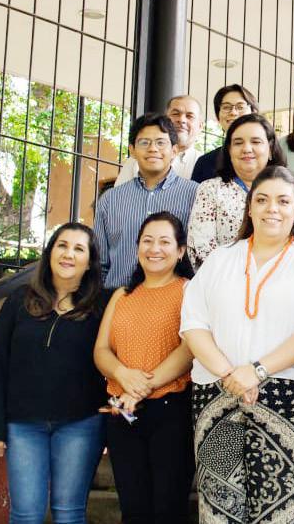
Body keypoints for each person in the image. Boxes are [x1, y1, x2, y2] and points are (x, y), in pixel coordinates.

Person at [180, 166, 294, 523]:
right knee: (220, 506)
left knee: (285, 509)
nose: (272, 209)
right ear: (249, 208)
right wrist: (230, 375)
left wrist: (257, 371)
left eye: (283, 201)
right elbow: (193, 323)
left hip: (288, 398)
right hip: (218, 394)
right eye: (262, 200)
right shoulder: (221, 258)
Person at [0, 223, 108, 524]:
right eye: (62, 245)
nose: (69, 254)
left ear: (89, 262)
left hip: (80, 424)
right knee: (26, 514)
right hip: (23, 425)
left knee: (69, 513)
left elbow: (116, 357)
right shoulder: (19, 300)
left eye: (79, 249)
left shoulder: (101, 306)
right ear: (50, 252)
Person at [93, 211, 197, 524]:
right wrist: (122, 375)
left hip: (170, 410)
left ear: (180, 251)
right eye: (147, 241)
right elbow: (101, 350)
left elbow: (189, 349)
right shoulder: (122, 295)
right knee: (133, 510)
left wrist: (141, 387)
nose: (155, 249)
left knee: (168, 510)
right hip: (122, 412)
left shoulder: (189, 291)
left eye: (165, 242)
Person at [95, 113, 200, 290]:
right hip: (116, 297)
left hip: (175, 299)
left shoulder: (196, 195)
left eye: (161, 142)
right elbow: (99, 263)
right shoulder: (110, 200)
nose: (153, 149)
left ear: (174, 151)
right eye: (144, 143)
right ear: (132, 150)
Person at [188, 113, 287, 266]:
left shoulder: (287, 190)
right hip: (222, 276)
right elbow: (201, 247)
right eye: (238, 143)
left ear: (270, 149)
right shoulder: (210, 190)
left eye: (256, 141)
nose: (246, 149)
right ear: (229, 150)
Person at [117, 95, 206, 183]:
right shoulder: (140, 157)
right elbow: (120, 191)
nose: (182, 120)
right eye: (175, 114)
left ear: (200, 126)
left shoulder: (205, 164)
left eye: (190, 116)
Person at [192, 84, 259, 184]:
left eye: (240, 107)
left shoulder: (268, 157)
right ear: (218, 117)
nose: (233, 112)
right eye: (226, 107)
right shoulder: (205, 162)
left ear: (254, 113)